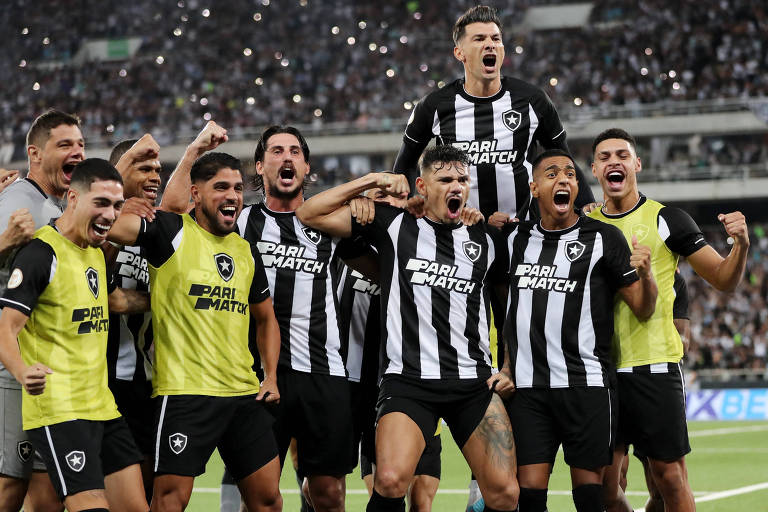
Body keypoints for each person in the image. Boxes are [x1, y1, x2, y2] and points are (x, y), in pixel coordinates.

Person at [296, 144, 519, 512]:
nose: (456, 187)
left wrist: (508, 365)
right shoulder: (394, 225)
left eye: (462, 180)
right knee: (389, 480)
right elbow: (309, 213)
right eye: (444, 179)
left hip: (472, 384)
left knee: (505, 494)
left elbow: (509, 307)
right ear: (422, 186)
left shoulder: (486, 239)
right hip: (409, 383)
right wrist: (368, 183)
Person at [107, 152, 283, 512]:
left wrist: (271, 377)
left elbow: (266, 318)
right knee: (169, 501)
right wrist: (124, 205)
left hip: (243, 393)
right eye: (220, 187)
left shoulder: (246, 250)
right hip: (185, 393)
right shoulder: (170, 232)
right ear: (196, 193)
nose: (232, 195)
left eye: (237, 187)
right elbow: (106, 227)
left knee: (268, 501)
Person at [588, 128, 750, 512]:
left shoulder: (667, 220)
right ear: (594, 169)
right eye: (605, 157)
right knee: (606, 489)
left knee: (670, 479)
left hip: (653, 365)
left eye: (622, 155)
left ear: (637, 164)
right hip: (600, 372)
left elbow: (724, 279)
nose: (615, 162)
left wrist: (740, 245)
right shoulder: (586, 225)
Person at [493, 149, 657, 512]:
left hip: (586, 385)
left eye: (570, 173)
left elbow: (644, 308)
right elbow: (509, 312)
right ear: (534, 187)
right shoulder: (512, 240)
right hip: (530, 390)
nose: (564, 179)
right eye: (552, 174)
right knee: (529, 495)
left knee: (590, 497)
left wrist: (647, 275)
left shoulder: (604, 238)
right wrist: (506, 365)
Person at [235, 125, 373, 512]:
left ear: (307, 166)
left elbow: (387, 261)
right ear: (260, 166)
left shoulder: (330, 224)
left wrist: (373, 205)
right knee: (262, 497)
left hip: (324, 372)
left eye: (295, 151)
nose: (287, 157)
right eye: (276, 151)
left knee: (328, 493)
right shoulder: (241, 224)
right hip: (258, 373)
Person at [0, 158, 149, 512]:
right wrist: (22, 372)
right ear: (73, 198)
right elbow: (5, 327)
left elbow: (113, 301)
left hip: (102, 406)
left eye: (116, 205)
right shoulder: (40, 254)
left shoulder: (95, 254)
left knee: (136, 508)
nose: (110, 215)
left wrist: (171, 297)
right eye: (101, 203)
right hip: (59, 411)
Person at [106, 122, 228, 502]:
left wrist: (194, 151)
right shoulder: (97, 225)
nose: (155, 176)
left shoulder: (155, 229)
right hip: (105, 380)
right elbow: (105, 297)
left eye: (158, 169)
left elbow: (173, 207)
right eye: (145, 168)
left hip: (150, 382)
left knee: (149, 490)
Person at [393, 5, 594, 221]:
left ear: (503, 49)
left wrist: (586, 206)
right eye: (479, 39)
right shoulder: (434, 105)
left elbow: (565, 160)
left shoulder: (533, 100)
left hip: (521, 233)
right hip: (459, 234)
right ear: (459, 53)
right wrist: (404, 206)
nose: (490, 44)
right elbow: (404, 165)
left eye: (496, 39)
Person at [0, 109, 86, 512]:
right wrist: (3, 243)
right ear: (35, 153)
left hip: (44, 365)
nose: (77, 152)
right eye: (65, 144)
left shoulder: (51, 203)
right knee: (9, 485)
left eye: (81, 144)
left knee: (44, 487)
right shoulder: (17, 201)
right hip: (10, 366)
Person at [619, 269, 690, 512]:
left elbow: (684, 338)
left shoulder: (674, 279)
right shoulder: (605, 264)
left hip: (654, 380)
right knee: (611, 483)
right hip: (610, 377)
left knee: (661, 487)